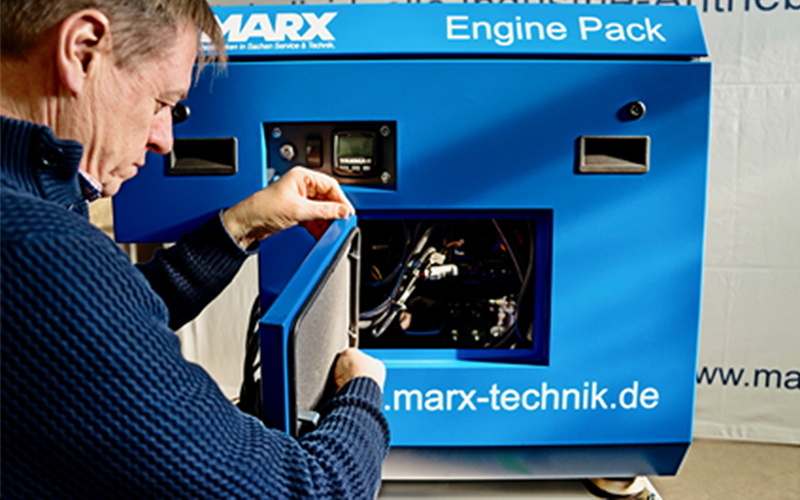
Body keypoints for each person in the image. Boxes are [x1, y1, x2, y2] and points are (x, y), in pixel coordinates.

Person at [0, 1, 389, 498]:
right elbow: (312, 490)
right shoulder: (41, 250)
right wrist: (361, 392)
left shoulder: (33, 223)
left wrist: (239, 228)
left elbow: (97, 326)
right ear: (82, 50)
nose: (165, 140)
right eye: (162, 103)